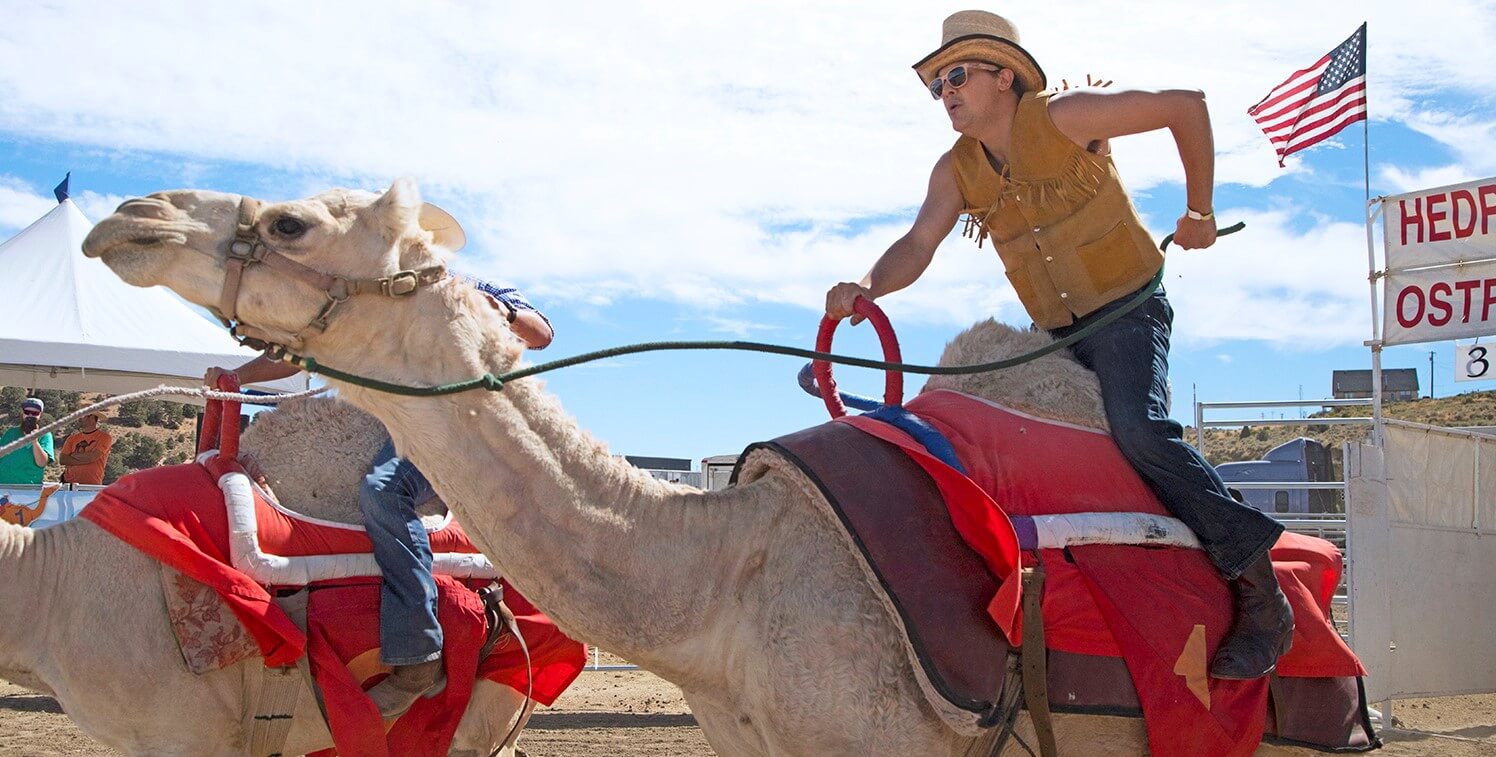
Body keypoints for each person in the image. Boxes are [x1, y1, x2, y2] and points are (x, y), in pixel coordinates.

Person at [824, 11, 1292, 680]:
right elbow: (919, 243)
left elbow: (1186, 108)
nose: (946, 92)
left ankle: (1263, 596)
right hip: (1059, 337)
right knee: (1015, 441)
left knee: (1139, 431)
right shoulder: (957, 171)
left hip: (1129, 311)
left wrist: (1199, 215)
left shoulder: (1064, 115)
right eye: (937, 85)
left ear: (1004, 75)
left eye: (956, 75)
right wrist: (865, 287)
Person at [206, 276, 553, 716]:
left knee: (384, 491)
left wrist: (491, 309)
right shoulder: (368, 295)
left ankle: (417, 654)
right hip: (388, 422)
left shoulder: (470, 286)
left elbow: (540, 333)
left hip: (459, 423)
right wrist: (235, 377)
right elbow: (298, 354)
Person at [0, 397, 55, 486]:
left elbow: (42, 463)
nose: (30, 416)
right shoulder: (11, 432)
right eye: (27, 412)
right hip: (4, 486)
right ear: (22, 413)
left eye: (34, 413)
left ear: (40, 415)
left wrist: (35, 441)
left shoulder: (45, 435)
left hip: (28, 489)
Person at [59, 412, 113, 486]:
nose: (79, 418)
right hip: (69, 484)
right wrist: (87, 460)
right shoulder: (72, 438)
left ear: (91, 418)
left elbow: (93, 457)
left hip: (92, 485)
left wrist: (73, 455)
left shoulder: (104, 437)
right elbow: (63, 460)